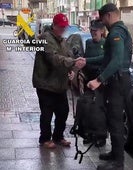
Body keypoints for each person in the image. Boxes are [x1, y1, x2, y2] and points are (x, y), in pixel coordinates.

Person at [86, 3, 132, 170]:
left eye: (103, 18)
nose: (102, 23)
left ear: (109, 15)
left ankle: (118, 162)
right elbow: (106, 58)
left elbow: (117, 61)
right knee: (113, 119)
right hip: (118, 81)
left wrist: (99, 79)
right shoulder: (118, 31)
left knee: (115, 121)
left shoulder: (116, 33)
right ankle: (114, 153)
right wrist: (86, 61)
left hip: (118, 82)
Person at [32, 13, 81, 149]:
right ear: (54, 26)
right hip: (45, 84)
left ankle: (58, 136)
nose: (63, 30)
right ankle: (45, 139)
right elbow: (54, 59)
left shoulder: (63, 41)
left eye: (64, 27)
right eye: (60, 27)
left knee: (63, 112)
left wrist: (71, 71)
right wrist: (73, 62)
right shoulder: (45, 39)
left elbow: (67, 56)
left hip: (59, 85)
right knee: (47, 114)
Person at [82, 19, 107, 147]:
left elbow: (103, 59)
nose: (93, 33)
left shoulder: (106, 43)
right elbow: (86, 59)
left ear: (101, 31)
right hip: (88, 79)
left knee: (99, 108)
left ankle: (101, 136)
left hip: (100, 80)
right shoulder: (88, 43)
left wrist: (87, 60)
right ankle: (89, 134)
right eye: (91, 31)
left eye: (95, 31)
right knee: (88, 107)